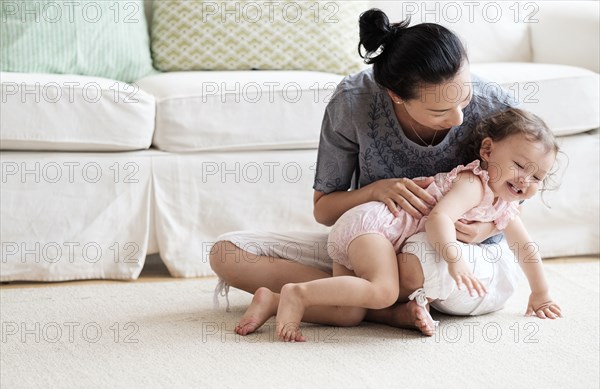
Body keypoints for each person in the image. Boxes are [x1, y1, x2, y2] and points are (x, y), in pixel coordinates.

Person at [210, 9, 556, 335]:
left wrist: (482, 231)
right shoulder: (354, 101)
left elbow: (513, 198)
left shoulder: (496, 108)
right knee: (228, 253)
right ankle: (385, 309)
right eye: (439, 111)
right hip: (372, 237)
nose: (458, 119)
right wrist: (375, 191)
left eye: (464, 99)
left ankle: (354, 298)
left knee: (415, 265)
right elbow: (324, 210)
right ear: (395, 96)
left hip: (450, 255)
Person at [243, 108, 562, 342]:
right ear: (488, 150)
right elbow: (440, 219)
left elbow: (524, 246)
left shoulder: (505, 206)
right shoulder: (474, 183)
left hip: (370, 234)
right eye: (520, 165)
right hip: (373, 226)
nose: (525, 180)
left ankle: (272, 300)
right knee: (383, 292)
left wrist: (541, 292)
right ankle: (298, 293)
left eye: (537, 177)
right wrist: (454, 259)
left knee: (348, 313)